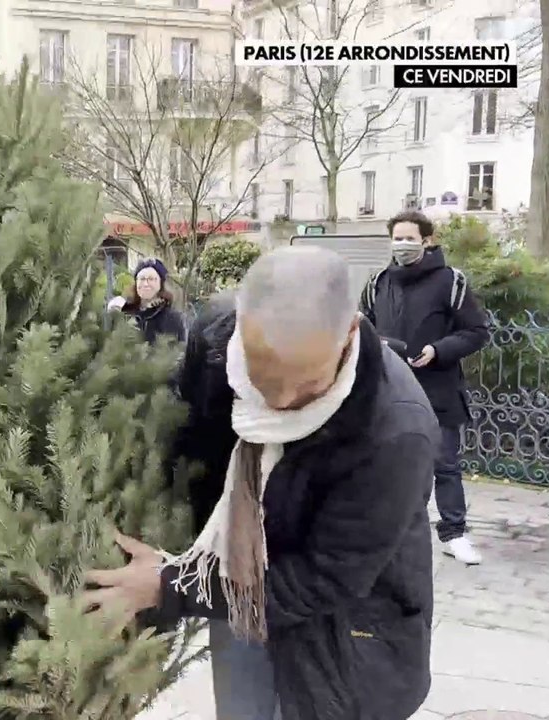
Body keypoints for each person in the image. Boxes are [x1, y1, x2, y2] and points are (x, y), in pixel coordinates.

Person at [84, 247, 437, 720]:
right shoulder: (215, 343)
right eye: (263, 377)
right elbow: (191, 453)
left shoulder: (396, 430)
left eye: (305, 384)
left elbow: (327, 578)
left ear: (349, 334)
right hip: (234, 588)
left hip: (342, 634)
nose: (281, 402)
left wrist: (170, 587)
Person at [360, 209, 490, 565]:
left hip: (439, 390)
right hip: (390, 391)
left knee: (445, 465)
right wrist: (376, 345)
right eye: (397, 238)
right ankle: (392, 533)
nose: (402, 245)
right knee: (390, 465)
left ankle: (454, 534)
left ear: (426, 241)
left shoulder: (451, 282)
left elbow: (477, 332)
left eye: (409, 238)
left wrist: (438, 350)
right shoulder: (378, 283)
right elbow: (363, 327)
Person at [106, 258, 187, 343]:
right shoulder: (126, 315)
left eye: (151, 279)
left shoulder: (173, 319)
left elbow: (180, 348)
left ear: (161, 283)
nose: (145, 284)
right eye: (142, 279)